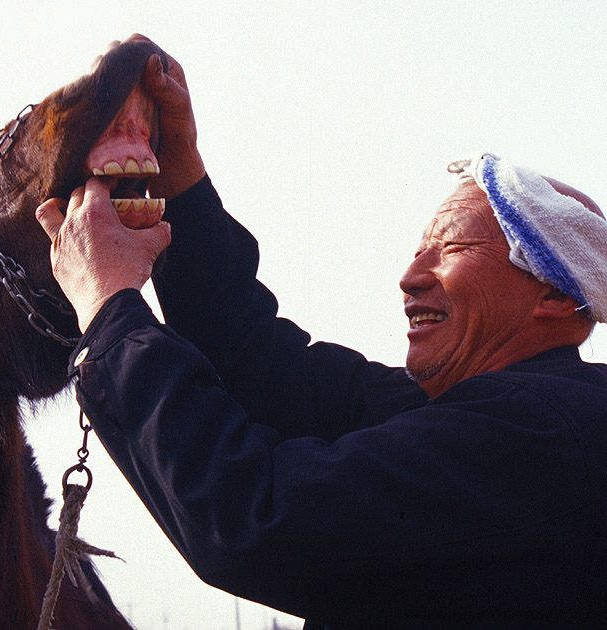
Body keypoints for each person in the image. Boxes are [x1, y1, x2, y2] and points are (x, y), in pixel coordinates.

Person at [35, 41, 607, 629]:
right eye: (418, 252)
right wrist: (179, 168)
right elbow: (259, 361)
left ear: (557, 297)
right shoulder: (481, 417)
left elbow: (254, 516)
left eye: (453, 247)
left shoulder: (541, 432)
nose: (409, 278)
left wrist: (108, 307)